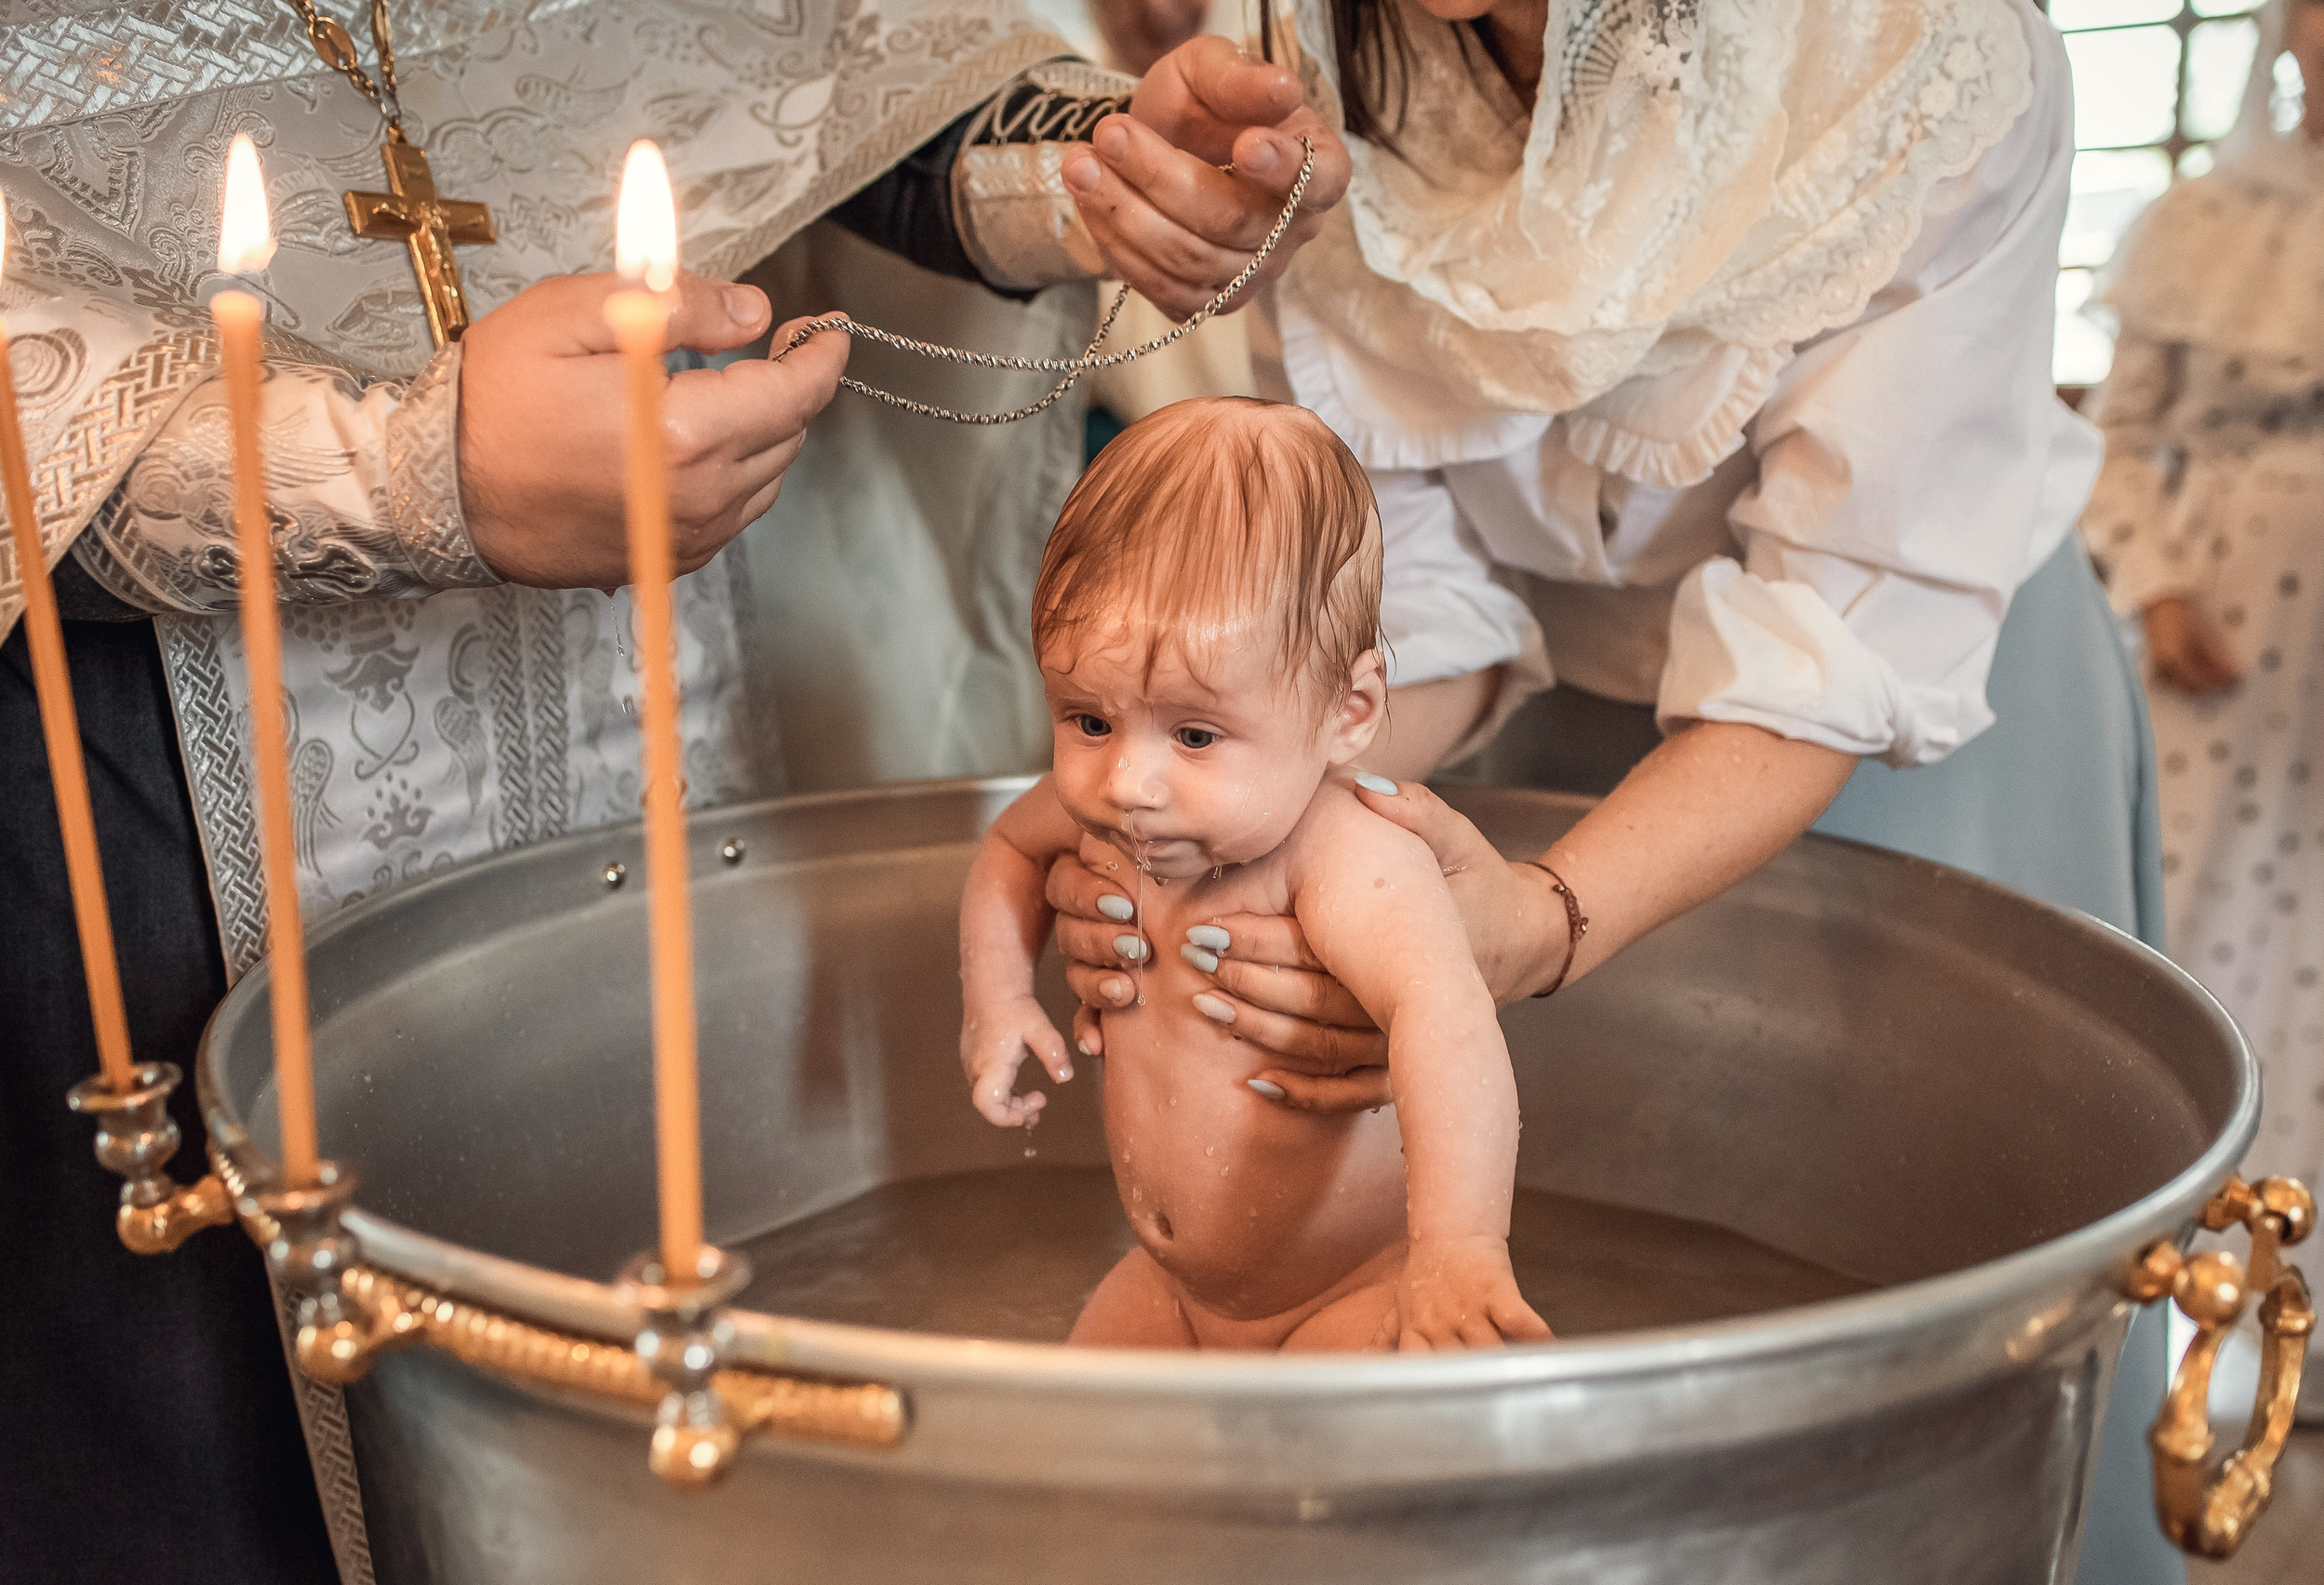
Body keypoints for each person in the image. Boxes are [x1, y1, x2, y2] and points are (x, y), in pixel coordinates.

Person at [0, 6, 1353, 1581]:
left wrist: (1106, 180)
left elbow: (798, 81)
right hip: (127, 773)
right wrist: (385, 473)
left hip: (671, 680)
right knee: (194, 1451)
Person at [1042, 3, 2177, 1580]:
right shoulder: (1300, 56)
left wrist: (1553, 912)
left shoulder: (1918, 60)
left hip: (1892, 688)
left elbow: (1835, 636)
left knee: (1930, 1308)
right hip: (1505, 699)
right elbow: (1385, 588)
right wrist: (1210, 839)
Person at [958, 398, 1549, 1351]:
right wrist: (997, 999)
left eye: (1194, 734)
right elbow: (1006, 850)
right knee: (1075, 1472)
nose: (1128, 781)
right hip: (1166, 1285)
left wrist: (1460, 1246)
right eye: (1087, 719)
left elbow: (1444, 1019)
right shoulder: (1109, 813)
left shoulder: (1347, 855)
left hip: (1348, 1294)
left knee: (1315, 1492)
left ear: (1347, 712)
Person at [2081, 0, 2324, 1426]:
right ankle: (2161, 1285)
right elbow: (2125, 429)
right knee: (2188, 925)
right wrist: (2153, 586)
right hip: (2213, 631)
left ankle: (2315, 1314)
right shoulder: (2198, 216)